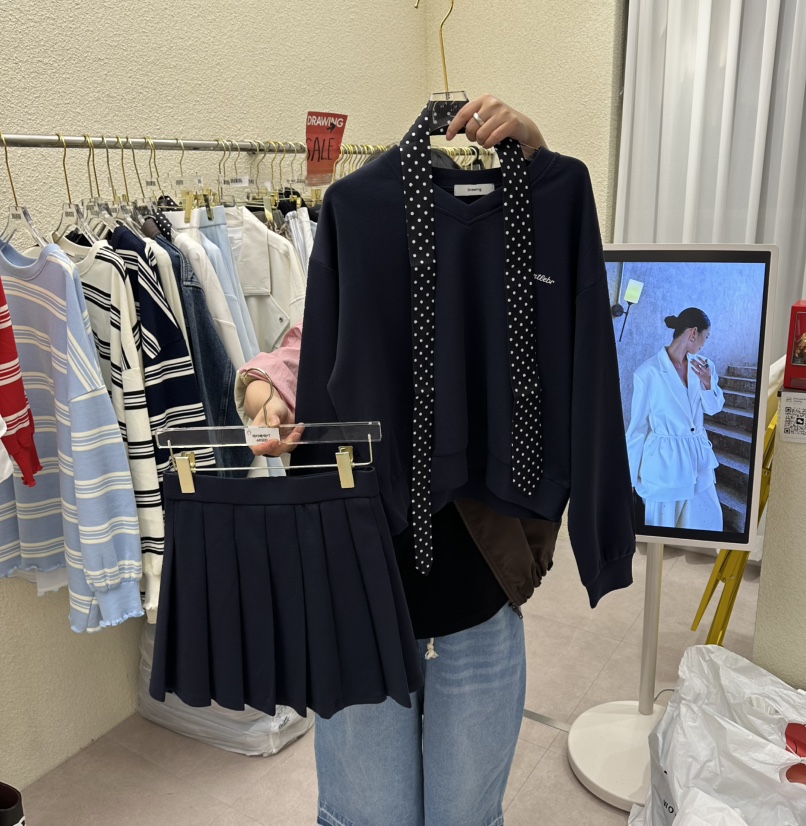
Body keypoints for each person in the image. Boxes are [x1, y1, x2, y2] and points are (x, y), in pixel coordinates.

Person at [238, 96, 554, 826]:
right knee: (363, 815)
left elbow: (557, 271)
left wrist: (534, 156)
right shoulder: (365, 231)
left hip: (478, 595)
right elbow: (309, 344)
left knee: (465, 816)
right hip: (362, 598)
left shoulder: (509, 256)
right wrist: (264, 392)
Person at [625, 307, 726, 531]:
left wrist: (708, 382)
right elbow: (637, 429)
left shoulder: (705, 366)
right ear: (693, 333)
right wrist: (629, 479)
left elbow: (713, 409)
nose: (705, 343)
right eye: (706, 336)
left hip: (698, 460)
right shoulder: (647, 373)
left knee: (708, 523)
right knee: (664, 530)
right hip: (664, 464)